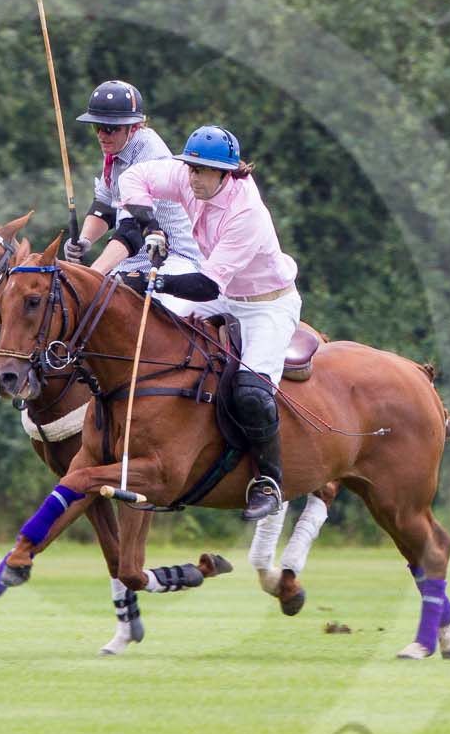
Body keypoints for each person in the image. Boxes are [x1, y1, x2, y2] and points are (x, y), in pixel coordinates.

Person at [92, 124, 300, 521]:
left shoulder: (247, 214)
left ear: (227, 173)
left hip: (265, 305)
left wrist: (152, 278)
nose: (193, 178)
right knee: (155, 332)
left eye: (202, 172)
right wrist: (149, 224)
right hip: (225, 290)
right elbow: (135, 177)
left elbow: (205, 285)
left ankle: (269, 482)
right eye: (190, 168)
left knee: (252, 395)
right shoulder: (188, 177)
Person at [67, 80, 206, 316]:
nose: (102, 135)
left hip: (172, 259)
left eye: (110, 128)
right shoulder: (115, 149)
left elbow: (132, 231)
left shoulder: (152, 158)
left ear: (134, 127)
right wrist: (85, 240)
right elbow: (104, 206)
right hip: (132, 260)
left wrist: (91, 276)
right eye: (97, 127)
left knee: (163, 321)